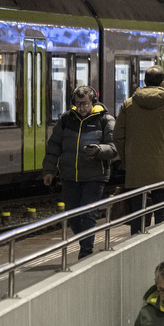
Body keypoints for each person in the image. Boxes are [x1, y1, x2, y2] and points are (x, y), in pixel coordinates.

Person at [41, 85, 118, 259]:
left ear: (93, 102)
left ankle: (86, 253)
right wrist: (49, 170)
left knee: (88, 213)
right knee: (72, 215)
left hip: (94, 176)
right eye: (78, 104)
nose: (81, 108)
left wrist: (99, 150)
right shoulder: (67, 120)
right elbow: (54, 146)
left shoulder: (105, 120)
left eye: (84, 104)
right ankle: (85, 243)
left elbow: (114, 148)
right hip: (69, 176)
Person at [113, 65, 164, 233]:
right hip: (160, 168)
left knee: (137, 215)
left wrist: (127, 158)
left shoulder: (129, 104)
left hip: (135, 168)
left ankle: (135, 251)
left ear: (144, 81)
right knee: (161, 214)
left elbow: (117, 136)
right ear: (163, 82)